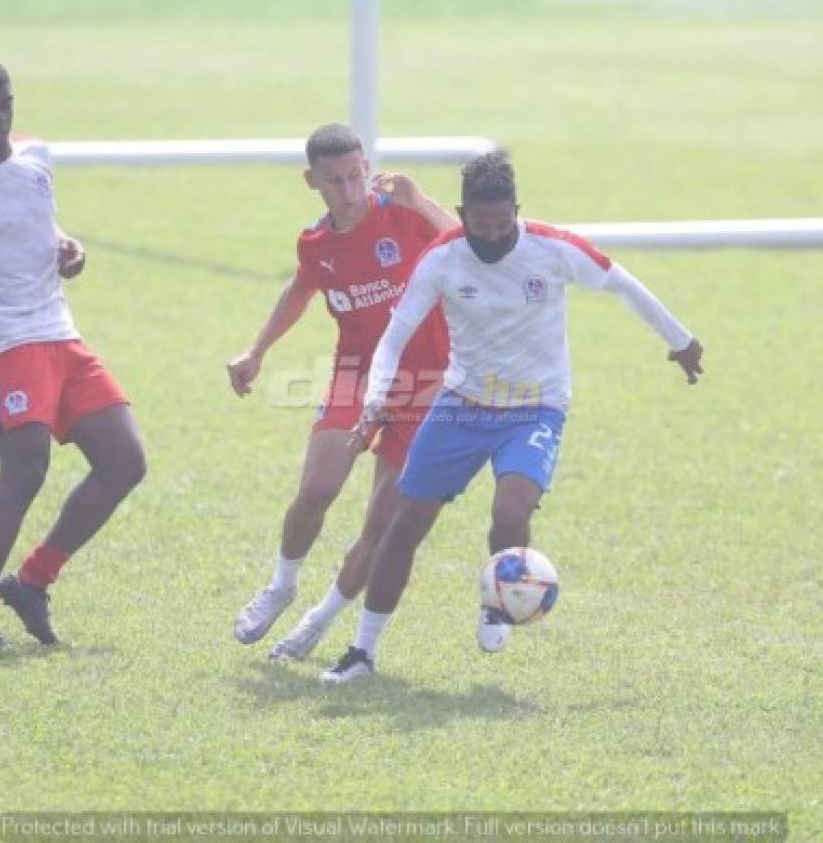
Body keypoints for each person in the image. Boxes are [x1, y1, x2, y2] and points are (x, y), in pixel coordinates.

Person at [321, 152, 704, 682]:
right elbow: (394, 337)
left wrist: (679, 340)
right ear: (463, 214)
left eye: (503, 225)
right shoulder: (442, 258)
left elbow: (621, 282)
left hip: (534, 407)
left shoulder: (552, 248)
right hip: (461, 405)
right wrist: (375, 401)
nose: (494, 237)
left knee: (511, 512)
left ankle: (496, 603)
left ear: (516, 211)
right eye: (481, 226)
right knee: (404, 524)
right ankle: (362, 651)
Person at [0, 57, 146, 652]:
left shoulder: (37, 158)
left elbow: (45, 227)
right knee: (24, 472)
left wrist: (71, 250)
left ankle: (33, 582)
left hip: (63, 337)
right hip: (9, 348)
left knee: (125, 461)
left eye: (6, 104)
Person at [228, 123, 456, 661]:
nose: (351, 192)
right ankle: (282, 585)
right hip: (356, 374)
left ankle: (317, 620)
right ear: (312, 182)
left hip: (426, 384)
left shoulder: (404, 214)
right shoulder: (316, 241)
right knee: (316, 490)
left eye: (357, 177)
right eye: (335, 181)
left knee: (382, 526)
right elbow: (303, 285)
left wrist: (421, 201)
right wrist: (257, 351)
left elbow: (472, 242)